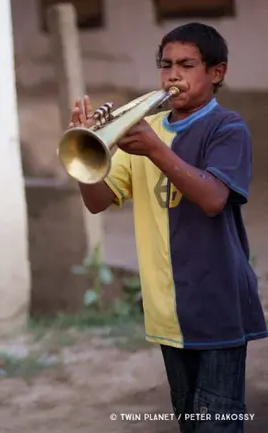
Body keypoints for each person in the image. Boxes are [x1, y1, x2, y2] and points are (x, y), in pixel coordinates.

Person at [71, 22, 265, 432]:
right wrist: (83, 151)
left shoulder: (227, 128)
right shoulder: (145, 132)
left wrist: (156, 150)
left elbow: (213, 199)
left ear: (217, 73)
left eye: (187, 65)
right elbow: (98, 202)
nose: (173, 76)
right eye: (166, 65)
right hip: (167, 312)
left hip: (217, 305)